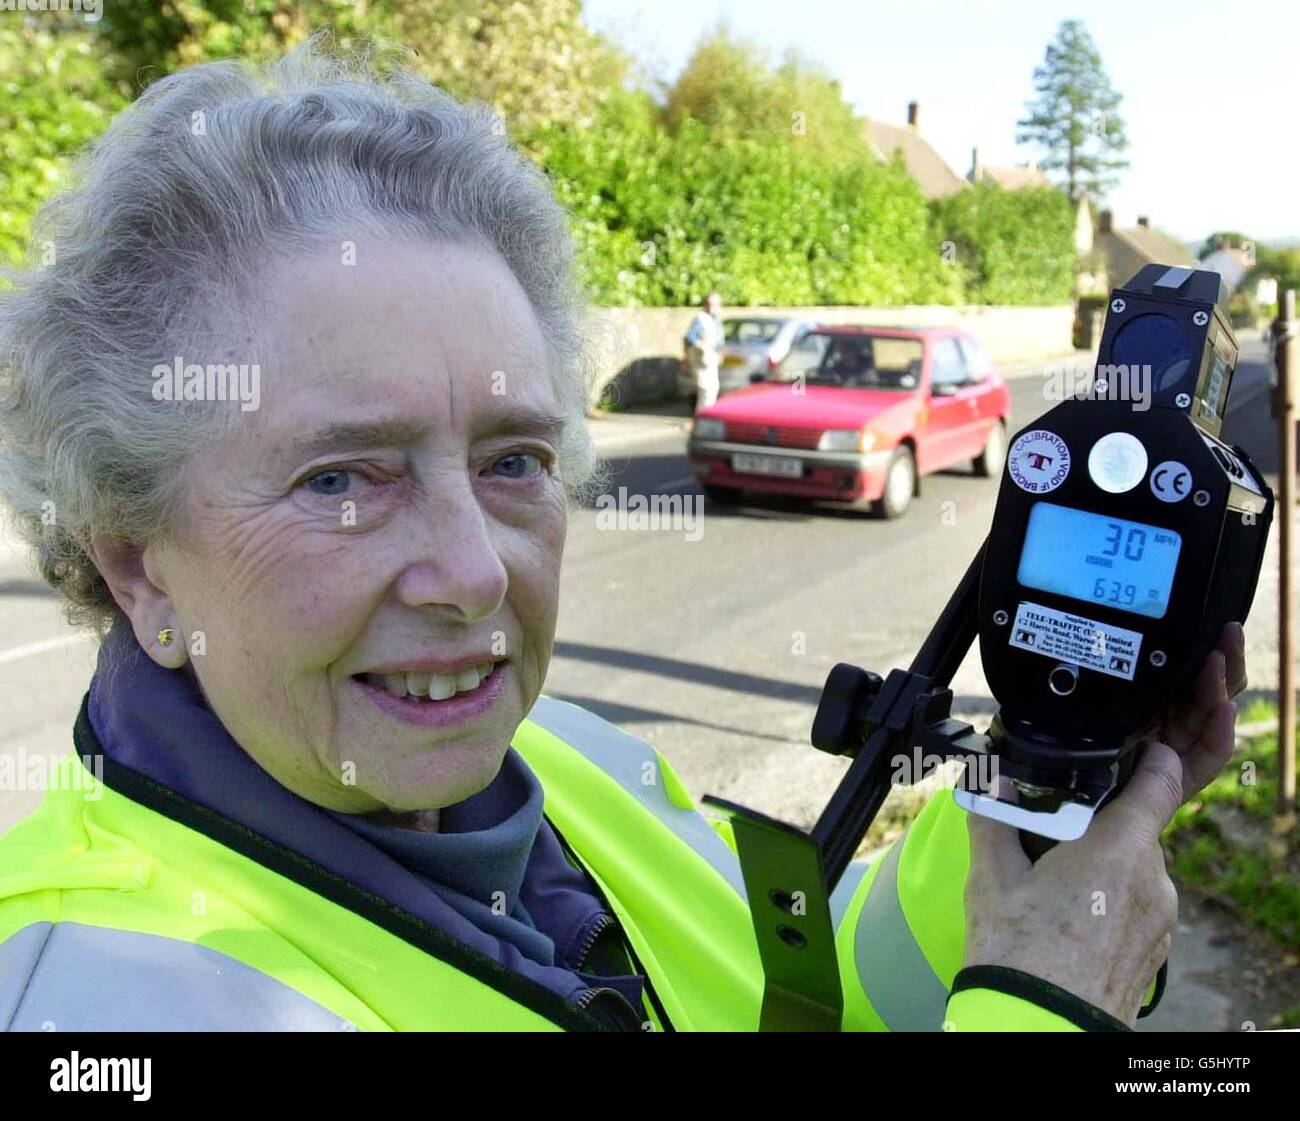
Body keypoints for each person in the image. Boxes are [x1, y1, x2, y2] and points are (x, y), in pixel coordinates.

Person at [0, 41, 1247, 1032]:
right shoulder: (108, 993)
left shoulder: (571, 764)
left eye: (513, 461)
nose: (477, 573)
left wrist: (1048, 808)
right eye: (340, 480)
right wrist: (1042, 1008)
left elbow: (814, 999)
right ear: (135, 559)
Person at [683, 292, 724, 409]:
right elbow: (689, 337)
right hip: (701, 361)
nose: (712, 307)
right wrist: (702, 345)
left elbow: (718, 341)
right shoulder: (701, 318)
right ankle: (702, 419)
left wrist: (718, 352)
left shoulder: (716, 319)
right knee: (706, 390)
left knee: (713, 389)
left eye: (715, 304)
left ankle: (706, 417)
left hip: (711, 360)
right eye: (709, 304)